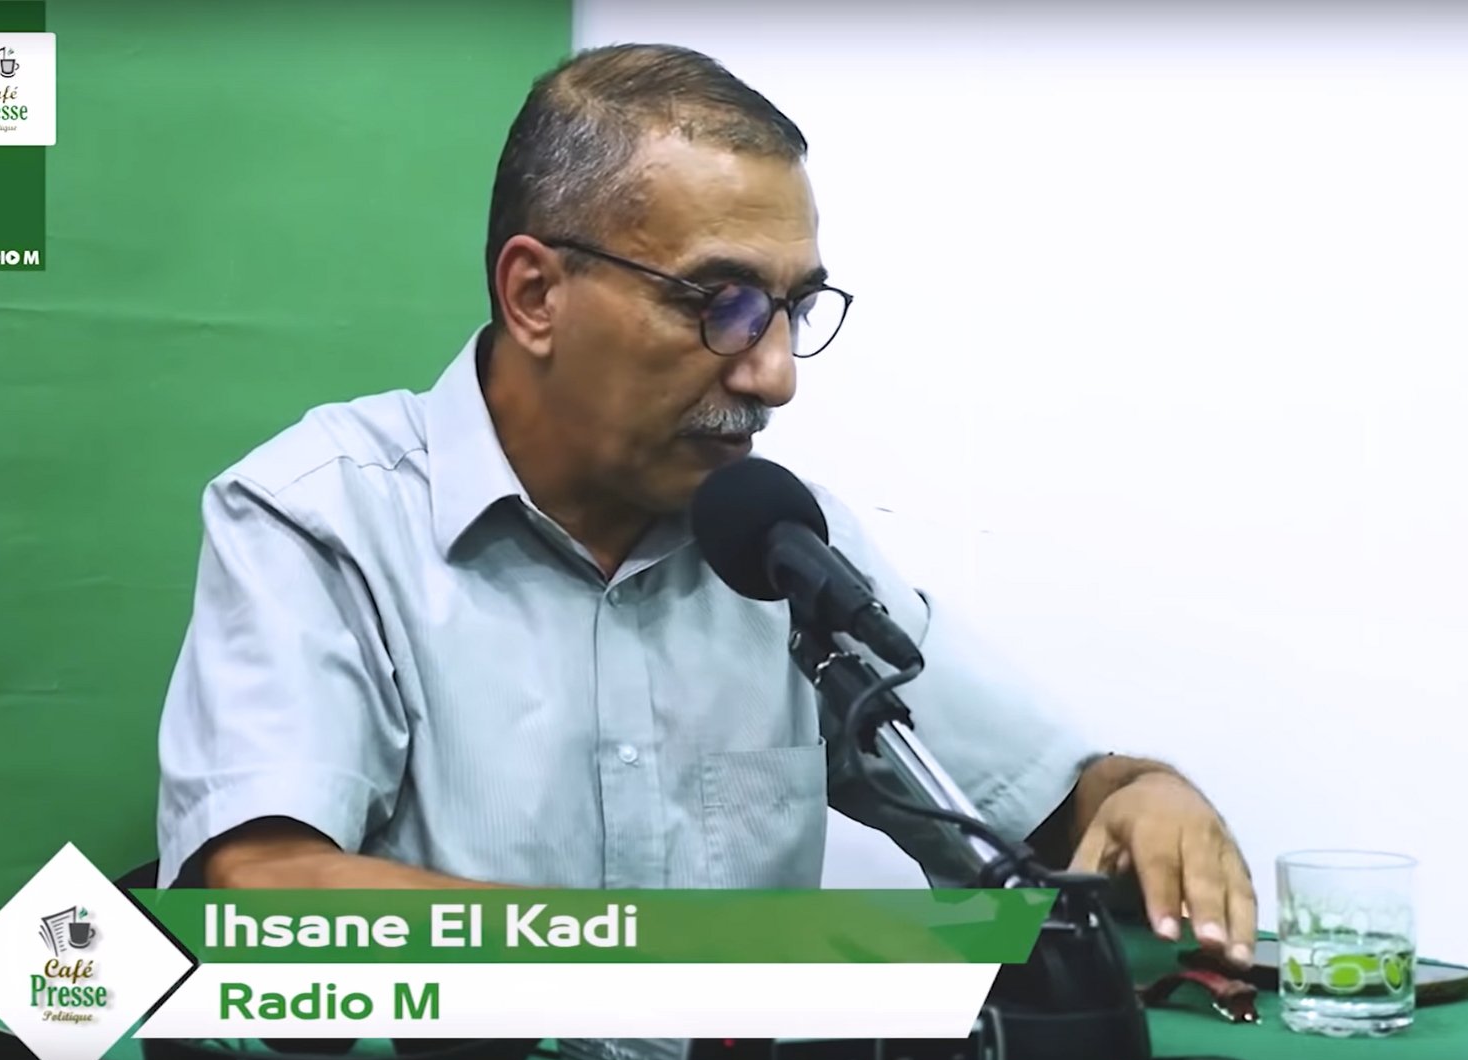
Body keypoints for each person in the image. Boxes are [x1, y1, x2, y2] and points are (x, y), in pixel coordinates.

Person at [154, 43, 1257, 967]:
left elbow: (1035, 808)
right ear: (535, 293)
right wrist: (646, 964)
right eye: (721, 303)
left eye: (795, 308)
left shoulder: (775, 542)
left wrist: (1138, 797)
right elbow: (262, 886)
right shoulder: (319, 518)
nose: (774, 373)